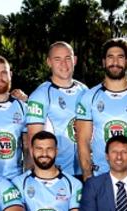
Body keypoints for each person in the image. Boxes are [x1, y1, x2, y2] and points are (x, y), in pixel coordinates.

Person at [76, 38, 127, 179]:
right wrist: (88, 177)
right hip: (100, 175)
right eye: (110, 57)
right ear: (103, 62)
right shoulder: (89, 97)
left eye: (120, 57)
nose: (115, 62)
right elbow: (83, 141)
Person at [26, 41, 88, 176]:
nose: (64, 64)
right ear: (49, 62)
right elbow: (33, 139)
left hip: (85, 171)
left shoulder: (85, 91)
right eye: (57, 59)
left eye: (68, 58)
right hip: (56, 174)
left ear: (75, 60)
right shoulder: (40, 95)